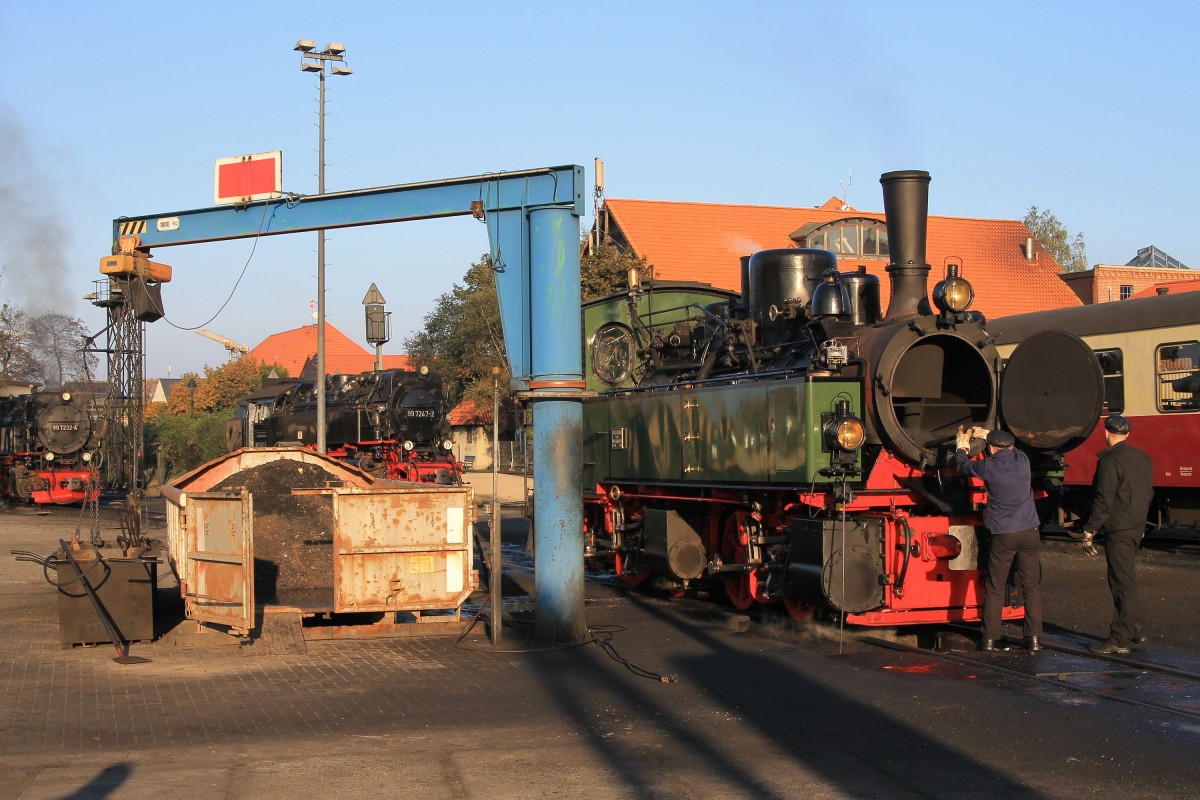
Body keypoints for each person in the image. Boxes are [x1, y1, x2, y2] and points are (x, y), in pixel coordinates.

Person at [953, 426, 1043, 652]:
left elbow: (963, 466)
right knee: (1031, 585)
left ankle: (990, 639)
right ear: (1011, 446)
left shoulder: (989, 465)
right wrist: (986, 433)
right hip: (1030, 530)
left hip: (1004, 533)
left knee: (995, 587)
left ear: (991, 449)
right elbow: (1010, 446)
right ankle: (1033, 638)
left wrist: (962, 447)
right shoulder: (1023, 461)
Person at [1078, 414, 1154, 655]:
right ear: (1128, 434)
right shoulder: (1143, 458)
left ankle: (1119, 637)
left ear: (1106, 433)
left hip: (1118, 527)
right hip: (1135, 525)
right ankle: (1137, 629)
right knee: (1126, 578)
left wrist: (1090, 529)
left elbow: (1104, 499)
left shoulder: (1110, 461)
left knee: (1121, 582)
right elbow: (1148, 493)